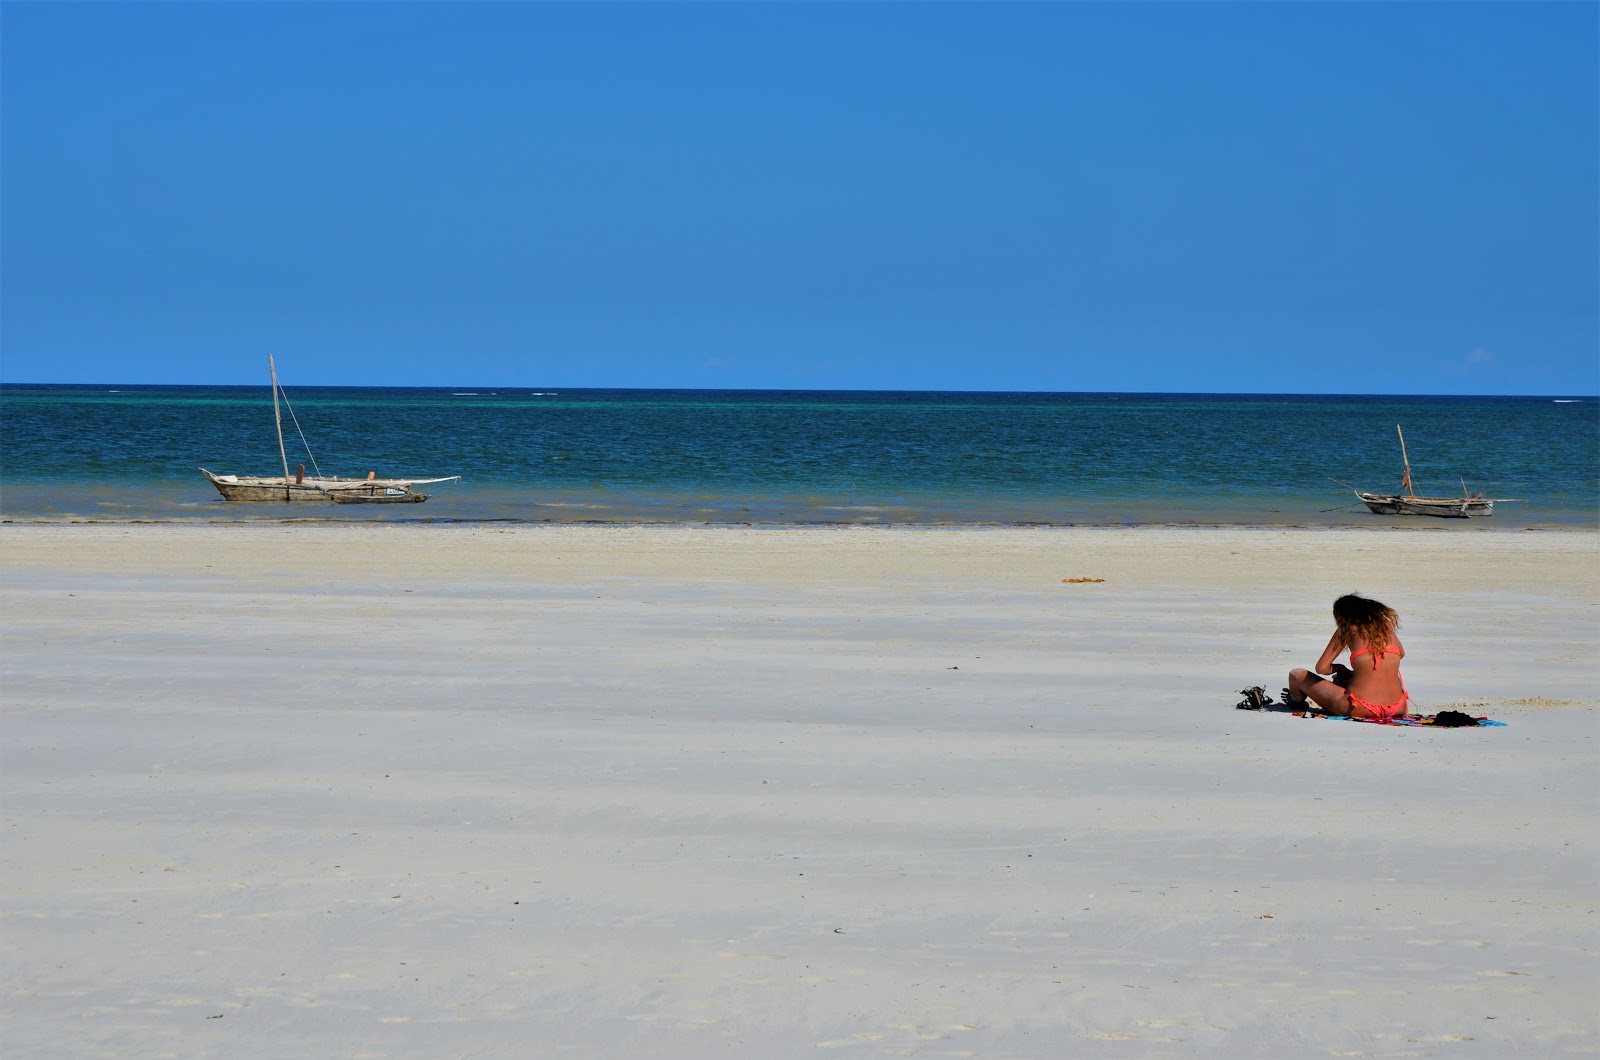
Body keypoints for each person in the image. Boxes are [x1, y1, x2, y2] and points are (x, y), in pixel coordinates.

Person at [1285, 593, 1409, 721]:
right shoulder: (1386, 626)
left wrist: (1339, 668)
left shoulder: (1347, 629)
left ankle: (1297, 701)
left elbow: (1321, 668)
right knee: (1351, 681)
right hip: (1398, 707)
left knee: (1296, 675)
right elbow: (1401, 654)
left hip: (1360, 707)